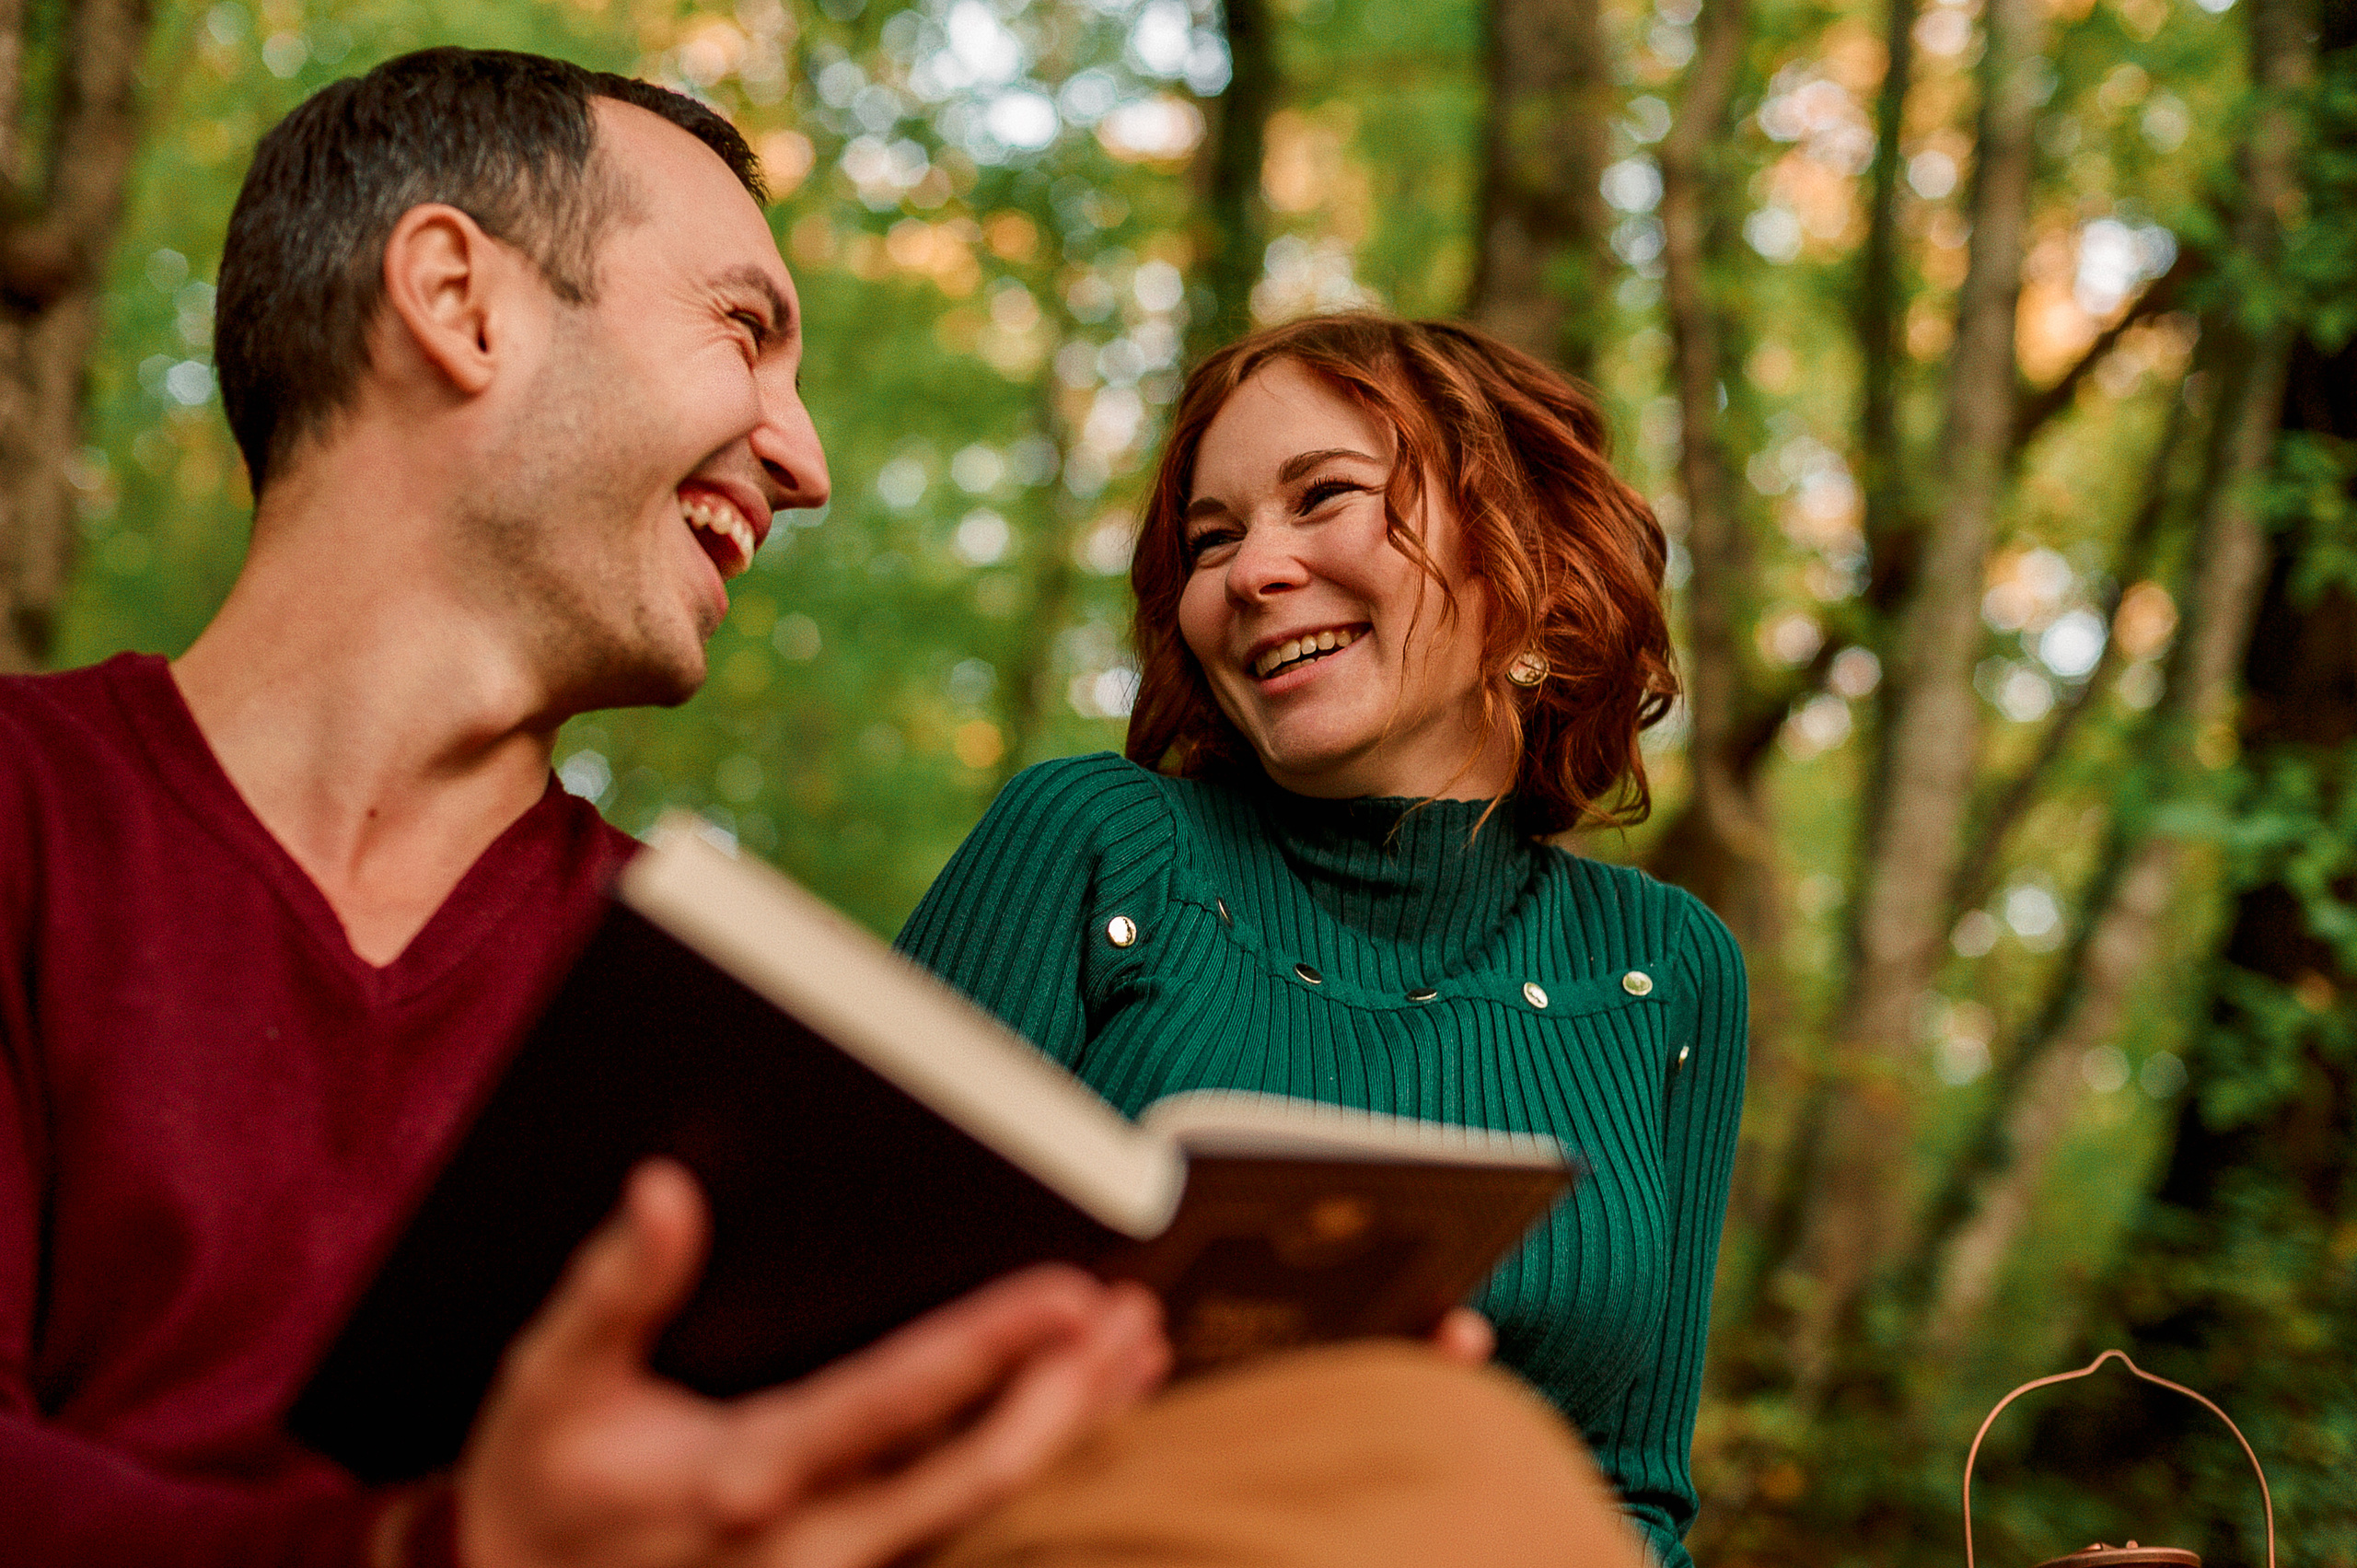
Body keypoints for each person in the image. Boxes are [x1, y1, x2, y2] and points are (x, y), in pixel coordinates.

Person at [0, 49, 1643, 1568]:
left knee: (1424, 1446)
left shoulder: (696, 1004)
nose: (804, 458)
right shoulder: (36, 812)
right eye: (743, 330)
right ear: (457, 300)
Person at [898, 313, 1749, 1568]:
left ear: (1530, 554)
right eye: (1212, 539)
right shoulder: (1096, 846)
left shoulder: (1667, 967)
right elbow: (844, 1346)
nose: (1251, 573)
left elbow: (1631, 1500)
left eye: (1325, 497)